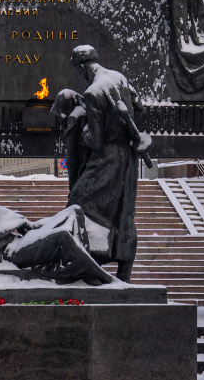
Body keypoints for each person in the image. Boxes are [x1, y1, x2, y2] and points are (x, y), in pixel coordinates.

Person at [62, 45, 151, 281]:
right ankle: (124, 272)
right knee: (124, 212)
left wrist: (83, 131)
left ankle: (85, 263)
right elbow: (139, 107)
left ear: (82, 66)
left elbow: (95, 139)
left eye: (78, 69)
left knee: (77, 203)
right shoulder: (119, 78)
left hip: (108, 157)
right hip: (128, 156)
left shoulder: (93, 92)